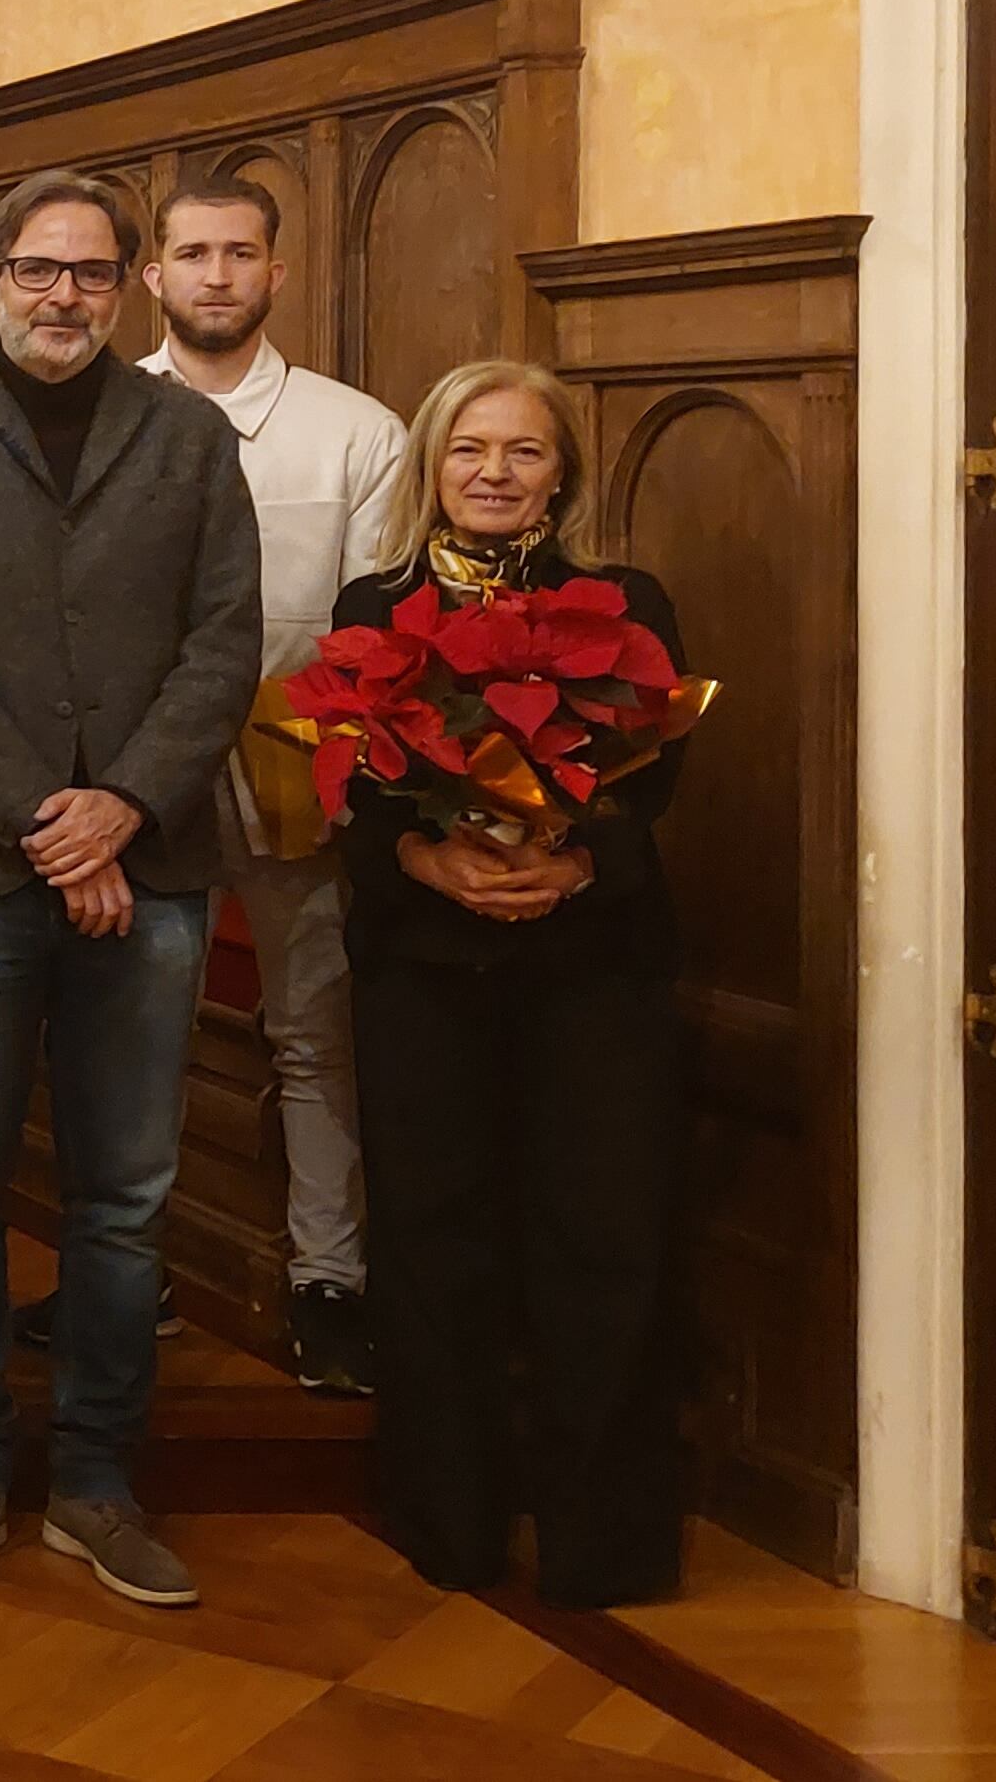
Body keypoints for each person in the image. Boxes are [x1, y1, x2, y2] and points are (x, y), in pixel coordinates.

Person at [0, 170, 261, 1611]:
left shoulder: (190, 440)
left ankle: (94, 1479)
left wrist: (124, 809)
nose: (62, 296)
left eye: (91, 273)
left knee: (127, 1197)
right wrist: (47, 821)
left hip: (150, 868)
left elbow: (224, 645)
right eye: (37, 269)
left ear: (128, 287)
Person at [335, 361, 692, 1607]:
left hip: (592, 973)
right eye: (467, 449)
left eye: (523, 452)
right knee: (437, 1251)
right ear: (431, 466)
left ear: (563, 473)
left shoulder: (625, 599)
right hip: (427, 972)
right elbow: (352, 797)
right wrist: (429, 856)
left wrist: (575, 865)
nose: (493, 473)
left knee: (605, 1245)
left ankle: (608, 1548)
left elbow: (654, 785)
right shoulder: (374, 603)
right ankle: (451, 1527)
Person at [138, 173, 408, 1396]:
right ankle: (121, 1266)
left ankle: (328, 1281)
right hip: (137, 768)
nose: (214, 275)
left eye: (237, 253)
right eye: (190, 252)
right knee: (127, 1025)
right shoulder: (101, 411)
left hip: (293, 756)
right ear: (152, 274)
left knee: (316, 1032)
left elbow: (369, 625)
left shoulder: (356, 432)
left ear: (275, 272)